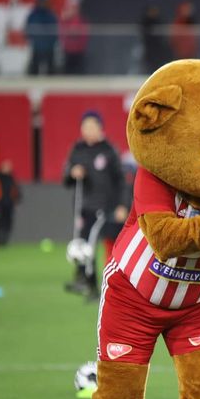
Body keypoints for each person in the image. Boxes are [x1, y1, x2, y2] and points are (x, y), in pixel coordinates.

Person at [62, 110, 125, 298]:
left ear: (100, 128)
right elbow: (66, 178)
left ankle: (95, 284)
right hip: (82, 207)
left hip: (104, 207)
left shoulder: (108, 150)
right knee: (82, 244)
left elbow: (120, 180)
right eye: (85, 127)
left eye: (92, 126)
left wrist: (122, 205)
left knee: (94, 244)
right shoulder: (77, 150)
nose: (88, 130)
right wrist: (73, 173)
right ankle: (87, 282)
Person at [0, 160, 22, 246]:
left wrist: (17, 199)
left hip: (9, 204)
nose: (6, 168)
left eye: (8, 167)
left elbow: (16, 190)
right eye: (5, 166)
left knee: (8, 221)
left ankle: (5, 239)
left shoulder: (12, 178)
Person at [25, 0, 58, 75]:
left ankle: (51, 85)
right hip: (37, 46)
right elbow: (28, 29)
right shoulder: (33, 15)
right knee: (34, 68)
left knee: (51, 68)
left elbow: (55, 31)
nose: (42, 4)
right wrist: (34, 40)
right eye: (41, 2)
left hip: (49, 47)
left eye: (44, 2)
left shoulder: (51, 15)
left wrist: (51, 42)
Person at [140, 5, 171, 73]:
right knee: (149, 64)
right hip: (149, 49)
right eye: (152, 11)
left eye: (155, 11)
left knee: (158, 65)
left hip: (158, 49)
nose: (153, 13)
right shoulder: (145, 22)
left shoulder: (159, 21)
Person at [60, 3, 89, 75]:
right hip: (68, 50)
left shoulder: (81, 21)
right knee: (68, 71)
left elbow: (84, 35)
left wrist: (74, 33)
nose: (71, 11)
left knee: (78, 71)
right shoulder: (65, 21)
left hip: (78, 50)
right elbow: (62, 34)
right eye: (70, 9)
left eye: (74, 9)